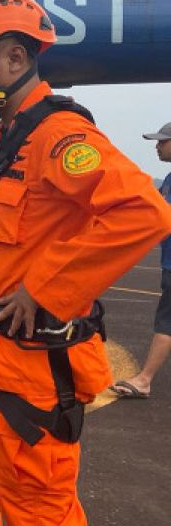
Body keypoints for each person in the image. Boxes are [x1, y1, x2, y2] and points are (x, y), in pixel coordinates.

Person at [0, 0, 171, 526]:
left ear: (15, 58)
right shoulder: (10, 139)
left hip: (31, 366)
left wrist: (43, 289)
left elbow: (143, 213)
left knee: (41, 517)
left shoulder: (59, 135)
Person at [108, 120, 171, 399]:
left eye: (162, 141)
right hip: (168, 263)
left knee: (166, 323)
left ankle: (144, 379)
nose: (157, 146)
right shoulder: (168, 180)